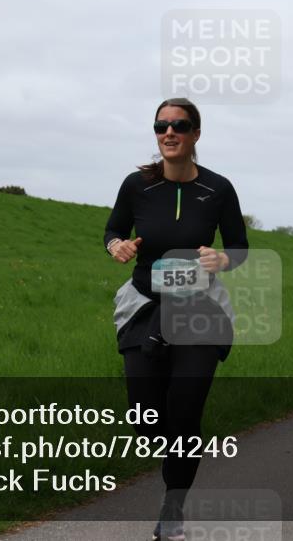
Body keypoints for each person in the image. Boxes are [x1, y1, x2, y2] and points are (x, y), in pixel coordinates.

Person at [104, 97, 248, 541]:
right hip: (146, 306)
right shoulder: (136, 186)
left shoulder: (218, 189)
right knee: (147, 423)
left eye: (180, 125)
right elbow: (112, 230)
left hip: (199, 311)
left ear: (195, 135)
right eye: (161, 125)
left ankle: (173, 508)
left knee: (185, 416)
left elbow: (239, 249)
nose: (169, 132)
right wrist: (117, 247)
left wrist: (222, 259)